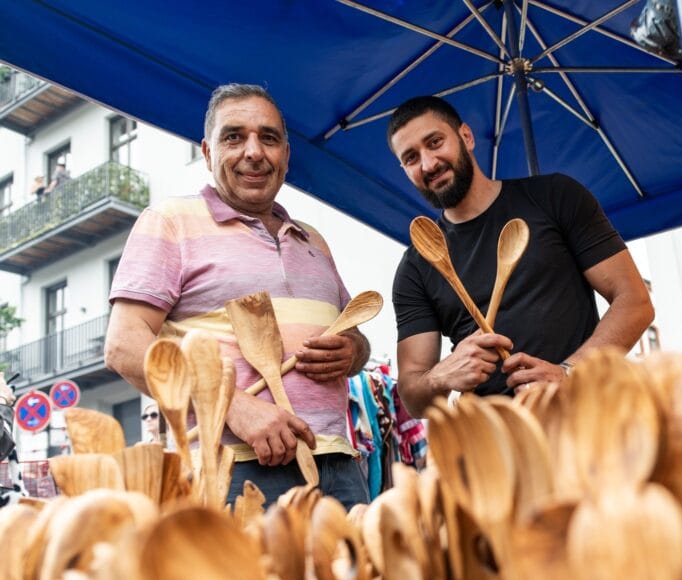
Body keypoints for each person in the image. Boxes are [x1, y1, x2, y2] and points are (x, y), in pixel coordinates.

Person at [106, 83, 372, 508]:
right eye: (234, 136)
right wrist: (230, 406)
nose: (253, 151)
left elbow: (355, 339)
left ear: (285, 155)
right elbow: (124, 345)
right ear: (208, 153)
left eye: (269, 137)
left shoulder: (314, 241)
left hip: (339, 464)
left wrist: (353, 350)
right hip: (231, 468)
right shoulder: (171, 221)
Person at [388, 96, 654, 417]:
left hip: (589, 423)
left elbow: (635, 302)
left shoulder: (554, 196)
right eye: (412, 157)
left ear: (466, 137)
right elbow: (414, 397)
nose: (429, 163)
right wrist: (442, 376)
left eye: (435, 142)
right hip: (497, 445)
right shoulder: (416, 267)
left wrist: (569, 372)